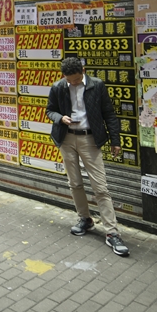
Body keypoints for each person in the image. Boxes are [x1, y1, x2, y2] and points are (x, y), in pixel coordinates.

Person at [47, 57, 129, 257]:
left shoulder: (97, 85)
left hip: (90, 139)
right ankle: (85, 219)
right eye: (69, 80)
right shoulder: (58, 87)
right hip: (66, 139)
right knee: (74, 183)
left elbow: (109, 113)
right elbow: (50, 111)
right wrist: (60, 118)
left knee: (100, 187)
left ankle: (112, 232)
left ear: (83, 71)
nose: (73, 83)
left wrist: (116, 140)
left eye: (76, 79)